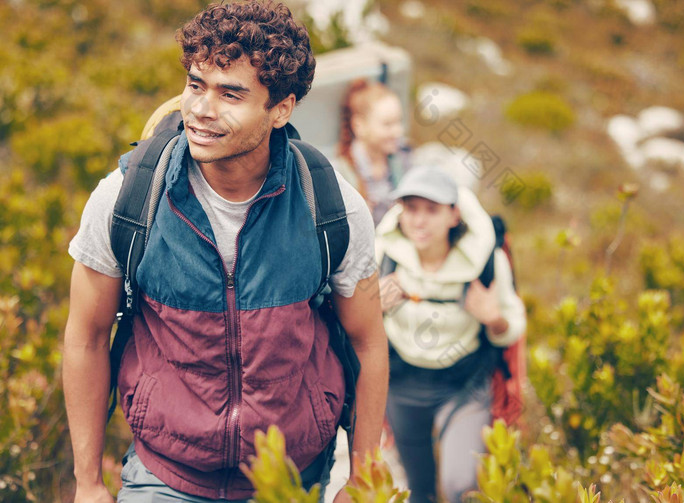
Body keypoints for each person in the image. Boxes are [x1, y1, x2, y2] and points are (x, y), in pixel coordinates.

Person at [62, 2, 388, 502]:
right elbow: (85, 337)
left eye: (230, 94)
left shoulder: (333, 207)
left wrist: (363, 479)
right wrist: (86, 482)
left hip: (289, 479)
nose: (200, 109)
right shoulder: (127, 199)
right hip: (166, 477)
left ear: (281, 109)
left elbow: (367, 343)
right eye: (196, 85)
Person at [376, 167, 526, 503]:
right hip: (401, 387)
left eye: (432, 210)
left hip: (463, 387)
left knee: (462, 488)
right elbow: (353, 325)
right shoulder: (384, 254)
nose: (419, 221)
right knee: (419, 492)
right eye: (411, 209)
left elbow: (512, 326)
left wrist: (494, 319)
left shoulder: (486, 261)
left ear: (454, 215)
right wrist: (374, 308)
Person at [335, 79, 410, 226]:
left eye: (399, 122)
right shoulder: (340, 174)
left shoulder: (404, 158)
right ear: (359, 126)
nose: (398, 131)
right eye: (387, 124)